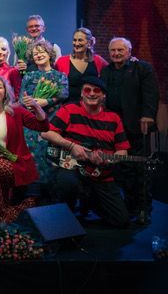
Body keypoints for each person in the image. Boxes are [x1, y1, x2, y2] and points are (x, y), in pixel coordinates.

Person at [42, 77, 130, 228]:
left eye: (97, 90)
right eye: (87, 90)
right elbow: (46, 132)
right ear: (82, 94)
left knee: (121, 221)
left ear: (104, 95)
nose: (92, 93)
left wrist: (109, 160)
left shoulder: (114, 118)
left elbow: (123, 152)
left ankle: (89, 200)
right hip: (72, 170)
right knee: (66, 183)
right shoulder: (69, 109)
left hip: (100, 175)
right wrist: (71, 146)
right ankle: (66, 214)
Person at [0, 76, 49, 224]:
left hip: (15, 163)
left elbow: (42, 126)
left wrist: (36, 107)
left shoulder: (15, 111)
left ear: (5, 93)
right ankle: (7, 214)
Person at [101, 37, 159, 225]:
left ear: (129, 51)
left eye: (120, 50)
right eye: (113, 50)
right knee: (123, 170)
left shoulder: (142, 68)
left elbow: (151, 93)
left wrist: (148, 115)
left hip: (138, 127)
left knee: (141, 170)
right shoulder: (106, 71)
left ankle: (144, 209)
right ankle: (130, 205)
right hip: (115, 129)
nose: (116, 53)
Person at [19, 40, 68, 196]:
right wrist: (29, 104)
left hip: (51, 123)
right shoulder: (29, 76)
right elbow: (21, 98)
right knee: (31, 158)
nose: (38, 55)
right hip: (31, 125)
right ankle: (32, 195)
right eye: (35, 53)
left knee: (50, 157)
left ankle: (50, 196)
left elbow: (64, 94)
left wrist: (45, 102)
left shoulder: (59, 76)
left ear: (50, 54)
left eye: (42, 52)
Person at [54, 27, 108, 102]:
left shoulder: (98, 60)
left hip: (92, 105)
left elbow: (110, 72)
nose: (76, 43)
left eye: (80, 40)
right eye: (74, 40)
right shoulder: (61, 61)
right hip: (68, 105)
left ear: (89, 43)